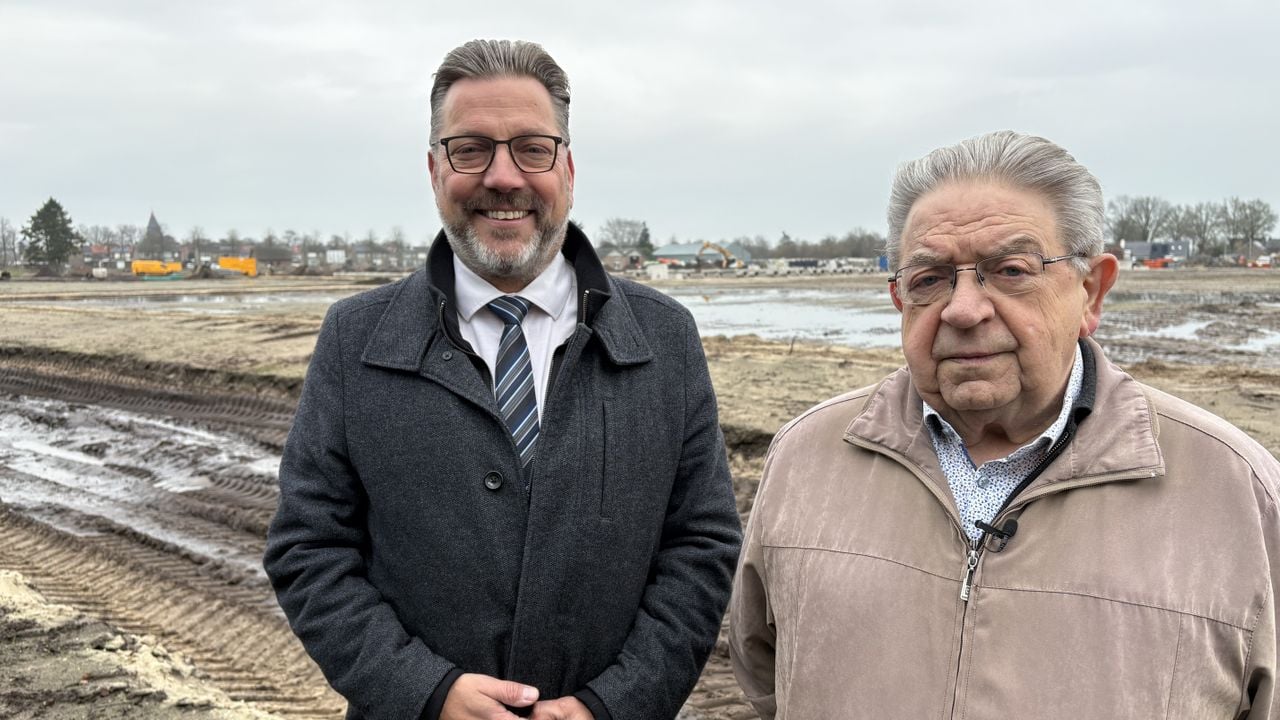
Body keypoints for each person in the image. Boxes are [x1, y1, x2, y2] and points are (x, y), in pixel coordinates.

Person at [264, 39, 741, 720]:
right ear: (435, 170)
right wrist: (425, 692)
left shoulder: (664, 339)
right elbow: (308, 549)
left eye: (531, 149)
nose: (504, 176)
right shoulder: (356, 340)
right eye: (471, 149)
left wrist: (613, 705)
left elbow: (701, 547)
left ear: (568, 169)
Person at [729, 130, 1279, 718]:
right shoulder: (806, 458)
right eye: (930, 279)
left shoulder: (1236, 491)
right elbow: (767, 674)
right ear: (900, 298)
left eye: (1011, 270)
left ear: (1091, 291)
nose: (963, 309)